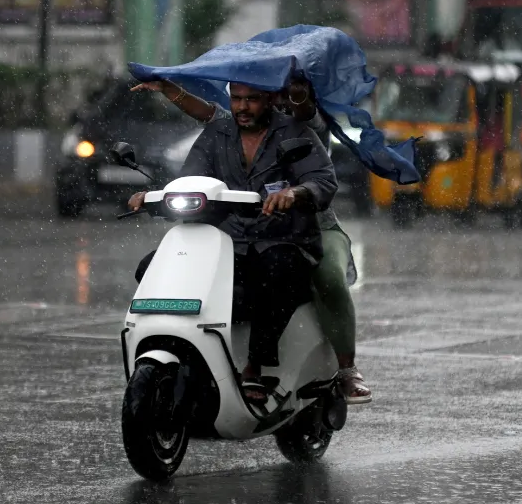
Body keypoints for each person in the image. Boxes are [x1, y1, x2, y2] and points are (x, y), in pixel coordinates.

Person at [133, 77, 374, 404]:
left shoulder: (299, 128)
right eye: (238, 99)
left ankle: (312, 368)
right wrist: (155, 195)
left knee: (310, 274)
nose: (243, 107)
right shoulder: (219, 132)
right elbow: (192, 176)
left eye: (253, 99)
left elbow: (320, 180)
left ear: (273, 97)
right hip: (233, 233)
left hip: (295, 230)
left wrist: (296, 192)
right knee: (154, 266)